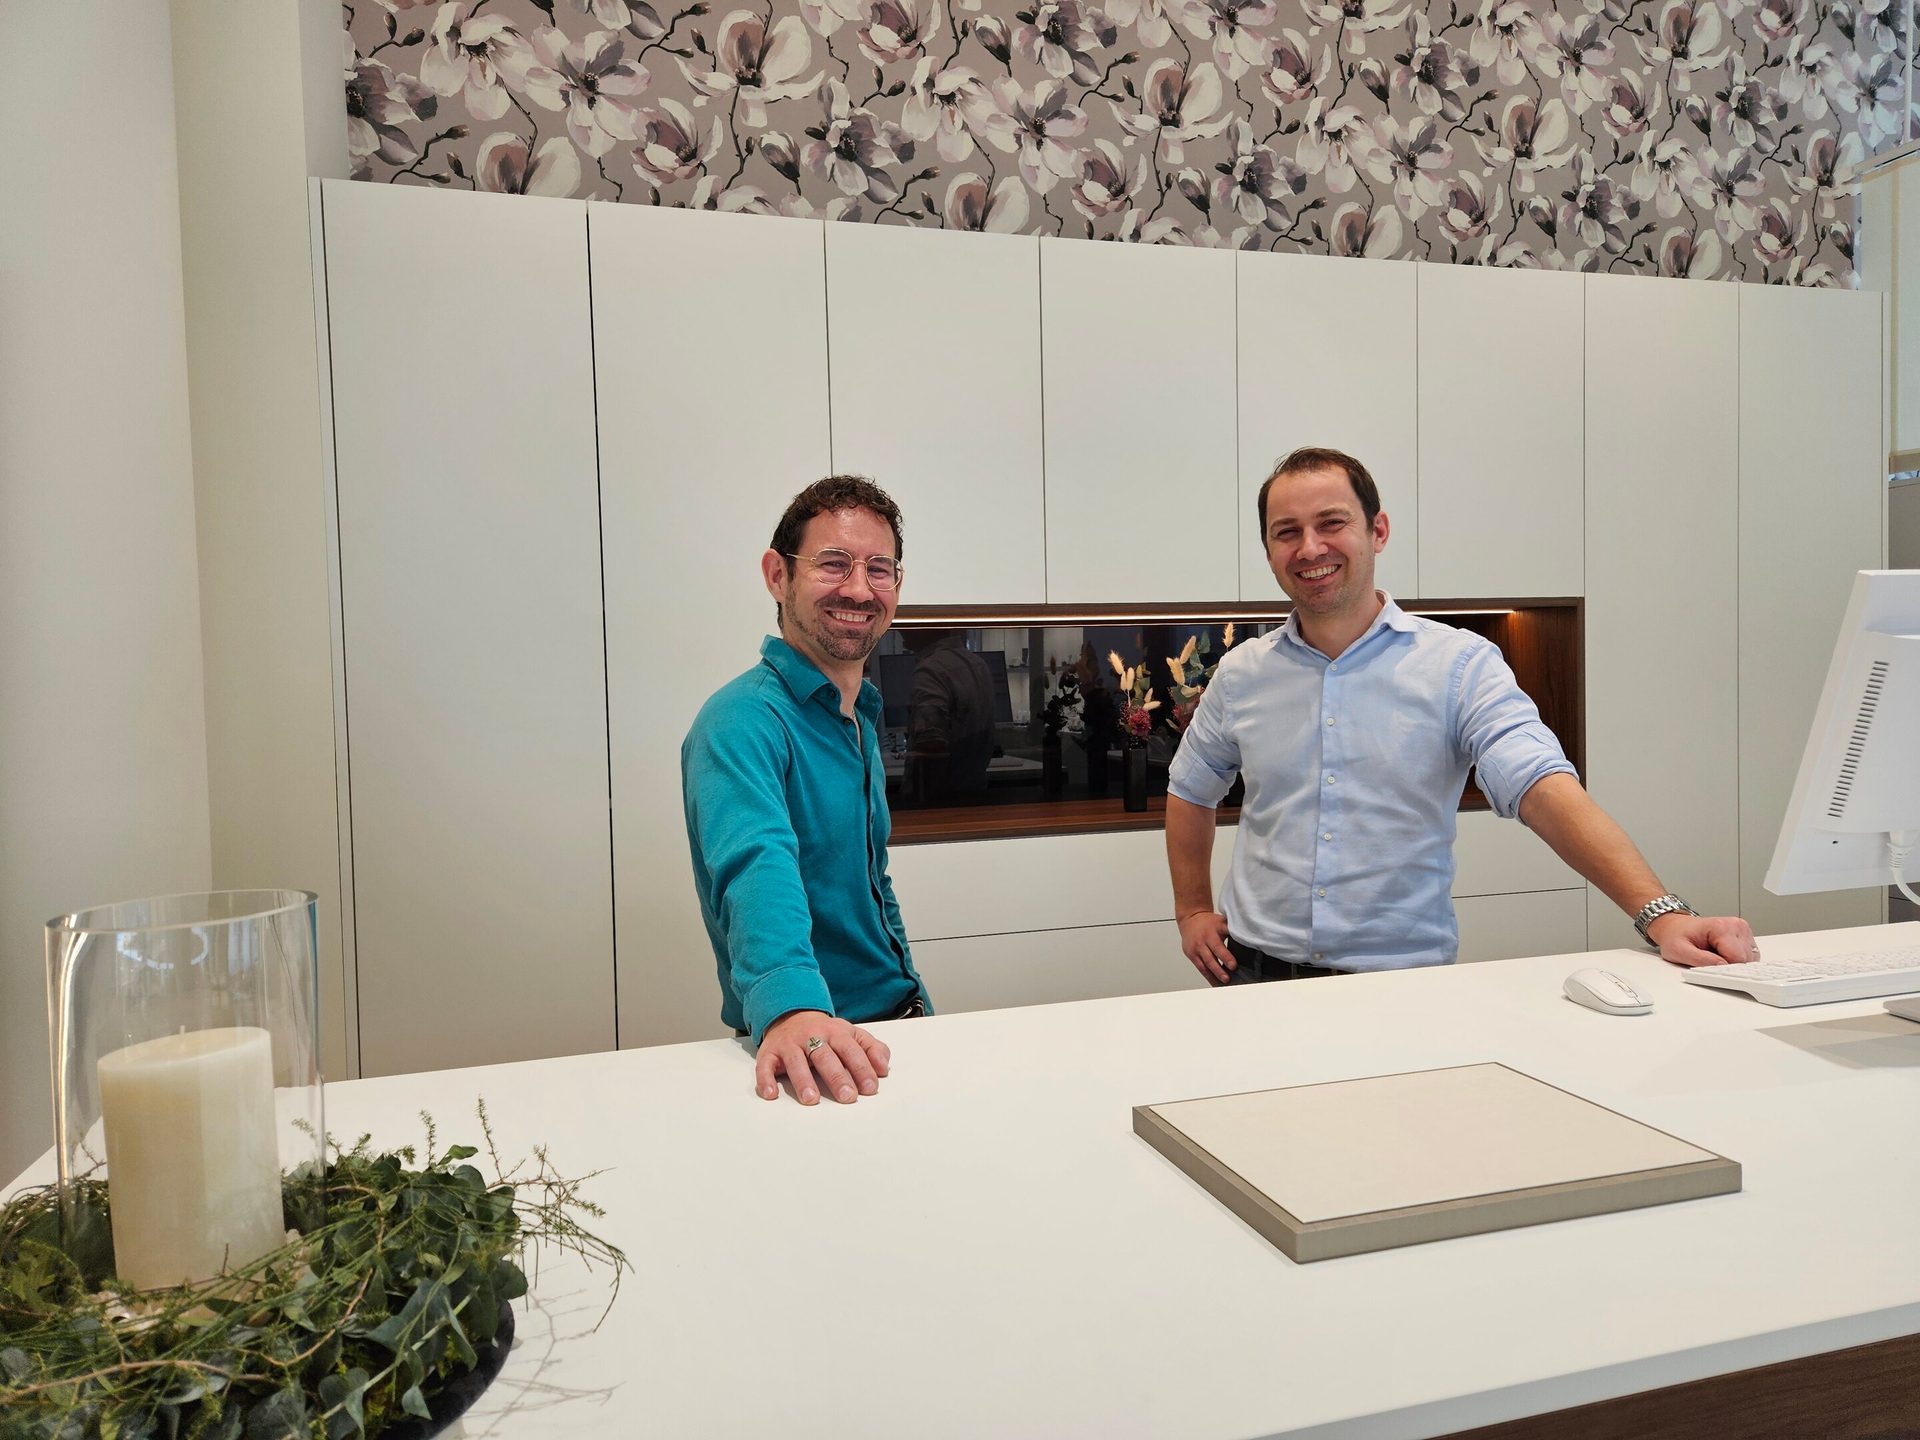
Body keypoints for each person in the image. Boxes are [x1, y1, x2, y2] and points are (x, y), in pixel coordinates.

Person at [1166, 446, 1759, 985]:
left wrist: (1661, 915)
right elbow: (1191, 787)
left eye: (1332, 523)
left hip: (1403, 983)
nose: (1311, 548)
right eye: (1286, 532)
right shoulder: (1243, 674)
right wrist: (1192, 909)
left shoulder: (1459, 665)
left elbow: (1540, 784)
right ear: (1269, 550)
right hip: (1250, 973)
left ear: (1378, 530)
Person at [682, 476, 932, 1104]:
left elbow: (871, 884)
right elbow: (755, 865)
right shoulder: (742, 722)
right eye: (833, 564)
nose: (858, 587)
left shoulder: (857, 714)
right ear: (777, 575)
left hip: (895, 1025)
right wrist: (793, 1009)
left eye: (880, 568)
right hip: (814, 1046)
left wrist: (915, 995)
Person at [903, 630, 997, 803]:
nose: (901, 629)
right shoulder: (978, 664)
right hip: (975, 791)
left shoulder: (931, 670)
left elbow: (930, 747)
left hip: (941, 798)